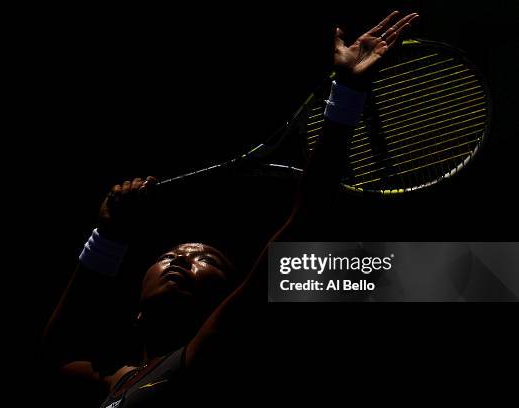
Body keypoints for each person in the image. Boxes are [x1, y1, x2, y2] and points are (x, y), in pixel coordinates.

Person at [42, 11, 419, 407]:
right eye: (170, 255)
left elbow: (304, 222)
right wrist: (109, 238)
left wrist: (347, 94)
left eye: (209, 260)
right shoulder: (117, 382)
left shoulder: (208, 356)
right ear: (135, 308)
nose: (181, 261)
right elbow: (57, 353)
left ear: (226, 298)